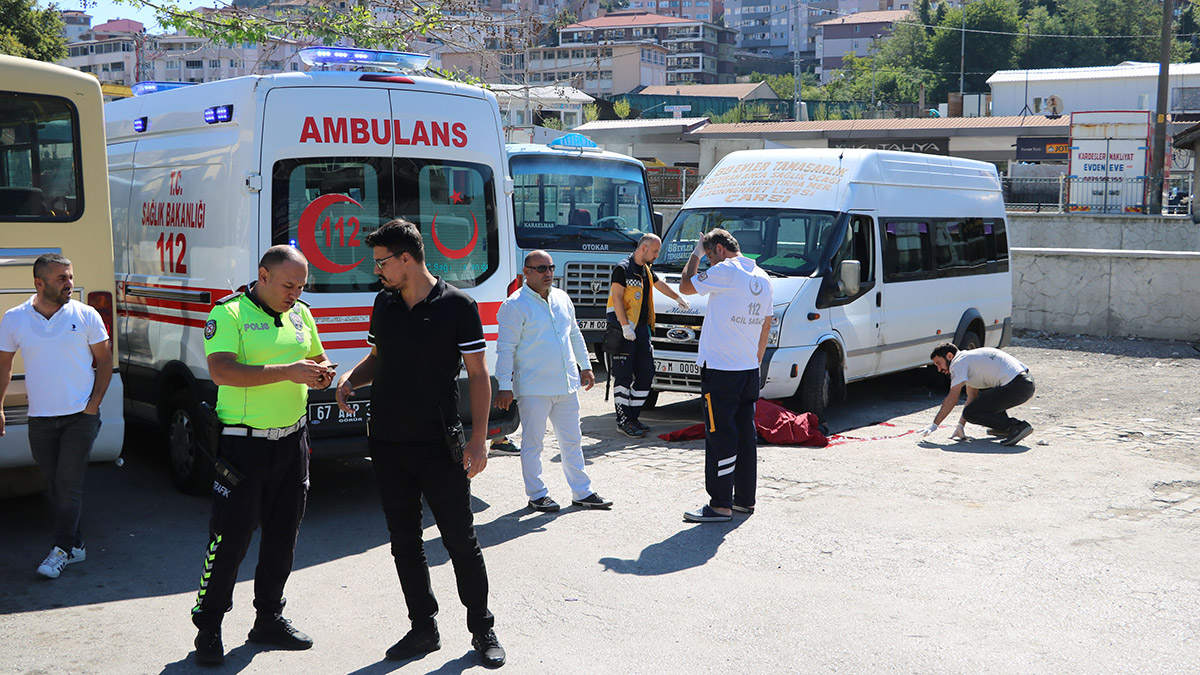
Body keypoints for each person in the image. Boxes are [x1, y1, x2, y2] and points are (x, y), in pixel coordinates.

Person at [334, 219, 505, 669]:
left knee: (460, 540)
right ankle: (423, 628)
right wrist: (351, 379)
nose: (377, 271)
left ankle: (482, 628)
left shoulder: (458, 305)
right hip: (387, 444)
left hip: (439, 445)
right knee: (404, 542)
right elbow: (377, 358)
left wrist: (479, 440)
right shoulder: (384, 302)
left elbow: (479, 375)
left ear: (406, 258)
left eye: (382, 262)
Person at [190, 246, 335, 666]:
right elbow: (221, 371)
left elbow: (317, 358)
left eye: (301, 286)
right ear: (264, 275)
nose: (295, 294)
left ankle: (268, 618)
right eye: (289, 285)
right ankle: (209, 626)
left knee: (283, 535)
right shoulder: (229, 313)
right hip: (243, 446)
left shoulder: (301, 314)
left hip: (292, 441)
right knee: (230, 538)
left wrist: (322, 374)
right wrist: (289, 372)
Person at [0, 253, 112, 578]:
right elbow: (4, 365)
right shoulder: (15, 318)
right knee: (56, 485)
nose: (69, 283)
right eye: (61, 278)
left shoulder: (86, 315)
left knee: (68, 484)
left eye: (70, 276)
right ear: (39, 283)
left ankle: (60, 551)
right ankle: (76, 545)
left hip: (81, 416)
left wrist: (94, 404)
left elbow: (105, 360)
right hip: (41, 418)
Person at [495, 250, 612, 513]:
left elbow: (574, 334)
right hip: (534, 388)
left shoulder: (562, 297)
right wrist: (504, 386)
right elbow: (505, 349)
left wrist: (586, 366)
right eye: (541, 269)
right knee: (533, 444)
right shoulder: (514, 306)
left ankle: (582, 492)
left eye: (550, 268)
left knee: (572, 441)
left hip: (566, 385)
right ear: (526, 272)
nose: (548, 273)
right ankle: (537, 495)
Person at [677, 229, 773, 523]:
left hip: (721, 369)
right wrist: (755, 361)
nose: (708, 262)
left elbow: (685, 286)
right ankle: (744, 499)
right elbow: (766, 325)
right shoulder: (762, 276)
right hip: (747, 368)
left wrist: (695, 253)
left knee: (720, 435)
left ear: (719, 249)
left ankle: (720, 505)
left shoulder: (726, 270)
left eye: (709, 256)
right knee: (745, 435)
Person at [606, 233, 689, 438]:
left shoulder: (646, 269)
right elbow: (617, 299)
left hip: (642, 330)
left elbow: (659, 284)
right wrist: (625, 326)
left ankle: (633, 417)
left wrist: (678, 298)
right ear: (643, 248)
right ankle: (623, 421)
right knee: (623, 377)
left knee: (646, 374)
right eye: (655, 251)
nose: (656, 255)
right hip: (624, 330)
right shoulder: (622, 269)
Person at [922, 343, 1036, 447]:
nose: (939, 369)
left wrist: (934, 425)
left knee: (971, 412)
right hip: (1025, 383)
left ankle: (1017, 427)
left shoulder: (958, 363)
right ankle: (1004, 428)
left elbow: (952, 398)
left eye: (939, 363)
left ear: (949, 356)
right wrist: (960, 426)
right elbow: (972, 397)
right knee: (977, 402)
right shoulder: (968, 360)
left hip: (1017, 385)